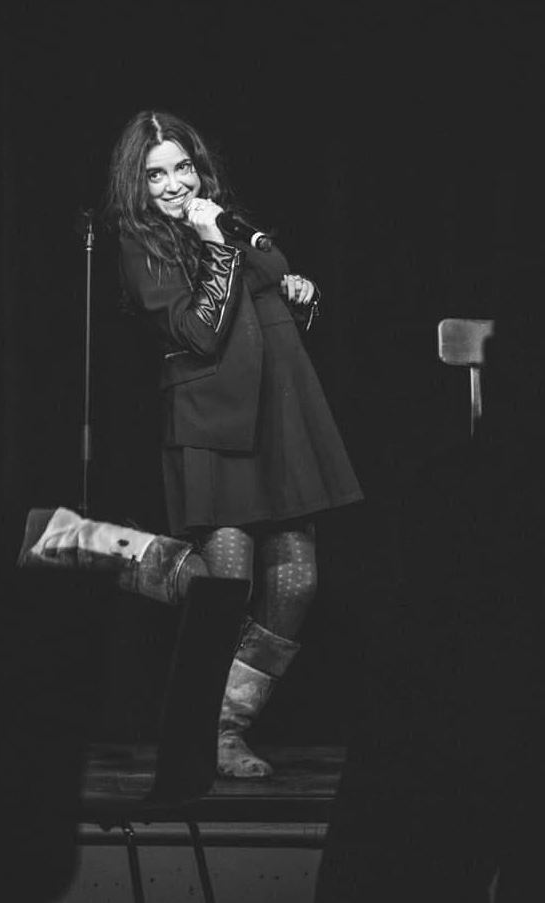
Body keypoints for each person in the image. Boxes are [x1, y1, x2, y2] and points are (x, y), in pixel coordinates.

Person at [106, 109, 363, 778]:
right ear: (136, 184)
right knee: (227, 583)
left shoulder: (221, 221)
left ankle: (224, 725)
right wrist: (219, 247)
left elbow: (272, 266)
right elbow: (200, 332)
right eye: (155, 173)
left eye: (181, 167)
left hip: (278, 413)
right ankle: (124, 556)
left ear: (200, 166)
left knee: (299, 582)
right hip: (213, 423)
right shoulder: (143, 245)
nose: (171, 184)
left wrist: (293, 285)